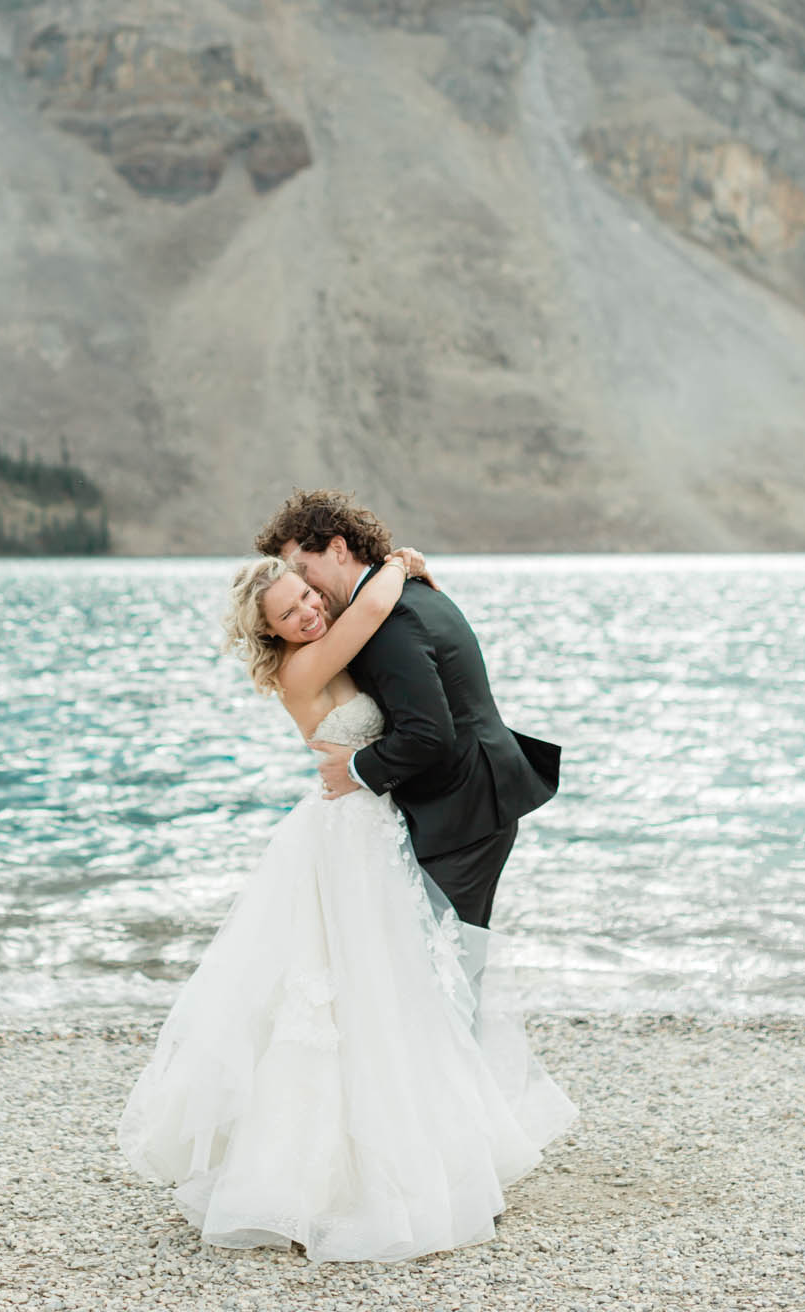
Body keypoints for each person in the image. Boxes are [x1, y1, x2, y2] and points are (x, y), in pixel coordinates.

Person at [117, 539, 574, 1264]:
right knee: (348, 991)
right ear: (269, 633)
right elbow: (367, 612)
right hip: (345, 837)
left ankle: (416, 1139)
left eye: (305, 596)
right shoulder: (305, 665)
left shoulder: (327, 650)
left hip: (374, 829)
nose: (306, 612)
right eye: (288, 612)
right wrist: (399, 563)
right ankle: (328, 1174)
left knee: (387, 989)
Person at [258, 488, 561, 928]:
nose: (309, 595)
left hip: (463, 811)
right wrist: (401, 563)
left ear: (338, 548)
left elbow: (428, 734)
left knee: (441, 956)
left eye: (304, 574)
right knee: (432, 954)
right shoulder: (397, 595)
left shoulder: (390, 619)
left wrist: (355, 768)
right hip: (462, 801)